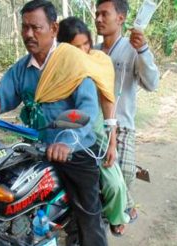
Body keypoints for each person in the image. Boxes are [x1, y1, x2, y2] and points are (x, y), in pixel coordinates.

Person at [0, 1, 107, 245]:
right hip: (36, 146)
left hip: (75, 150)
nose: (28, 34)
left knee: (88, 215)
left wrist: (67, 142)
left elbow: (88, 108)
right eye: (25, 28)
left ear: (54, 29)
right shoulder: (21, 69)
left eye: (36, 28)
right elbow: (0, 99)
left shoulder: (73, 63)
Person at [58, 16, 130, 236]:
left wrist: (111, 143)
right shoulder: (56, 68)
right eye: (75, 47)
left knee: (114, 184)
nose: (82, 51)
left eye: (85, 44)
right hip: (61, 134)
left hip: (95, 135)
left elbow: (109, 105)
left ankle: (117, 216)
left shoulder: (98, 63)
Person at [95, 0, 160, 222]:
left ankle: (125, 209)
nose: (98, 19)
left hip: (121, 126)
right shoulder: (92, 51)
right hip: (93, 126)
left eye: (105, 14)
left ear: (121, 18)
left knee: (123, 176)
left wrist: (143, 50)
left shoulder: (132, 49)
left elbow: (152, 84)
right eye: (97, 14)